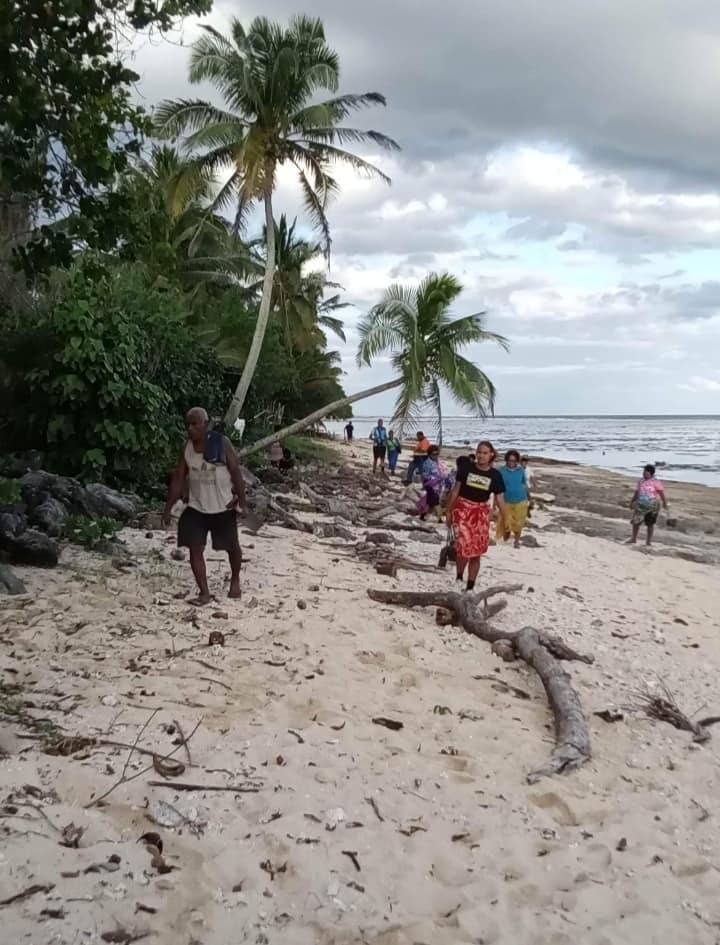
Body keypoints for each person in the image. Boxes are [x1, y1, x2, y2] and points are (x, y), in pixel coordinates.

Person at [163, 407, 246, 605]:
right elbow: (178, 479)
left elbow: (236, 472)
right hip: (196, 507)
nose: (190, 429)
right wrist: (168, 508)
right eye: (187, 425)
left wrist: (243, 501)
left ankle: (235, 579)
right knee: (195, 547)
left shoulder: (221, 443)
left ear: (205, 425)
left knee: (232, 548)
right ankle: (204, 593)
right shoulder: (187, 448)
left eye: (195, 424)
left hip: (223, 507)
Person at [445, 440, 509, 591]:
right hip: (462, 511)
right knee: (462, 548)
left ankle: (470, 586)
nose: (481, 455)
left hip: (480, 514)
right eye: (479, 452)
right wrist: (448, 511)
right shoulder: (466, 468)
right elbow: (455, 491)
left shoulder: (495, 476)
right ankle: (459, 575)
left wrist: (506, 519)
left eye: (485, 453)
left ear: (491, 455)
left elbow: (500, 499)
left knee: (476, 553)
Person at [496, 449, 529, 547]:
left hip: (521, 500)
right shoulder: (501, 471)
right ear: (506, 460)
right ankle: (507, 536)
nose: (511, 463)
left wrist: (528, 497)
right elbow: (497, 487)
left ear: (517, 461)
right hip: (506, 501)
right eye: (510, 460)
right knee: (506, 523)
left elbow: (524, 483)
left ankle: (516, 541)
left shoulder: (521, 470)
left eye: (514, 461)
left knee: (519, 523)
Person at [629, 463, 668, 546]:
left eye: (646, 472)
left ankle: (648, 541)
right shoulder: (641, 481)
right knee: (636, 522)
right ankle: (633, 539)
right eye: (643, 471)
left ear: (651, 473)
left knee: (650, 524)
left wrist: (665, 503)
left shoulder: (656, 482)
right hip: (640, 505)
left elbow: (661, 493)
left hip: (653, 506)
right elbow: (637, 492)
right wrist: (632, 501)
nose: (643, 473)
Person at [416, 445, 453, 521]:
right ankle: (440, 519)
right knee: (436, 502)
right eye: (433, 454)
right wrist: (436, 479)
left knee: (431, 503)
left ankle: (423, 515)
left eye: (437, 454)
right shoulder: (427, 463)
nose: (435, 456)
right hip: (431, 485)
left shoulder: (439, 462)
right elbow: (425, 476)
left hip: (440, 485)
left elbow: (445, 471)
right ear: (429, 454)